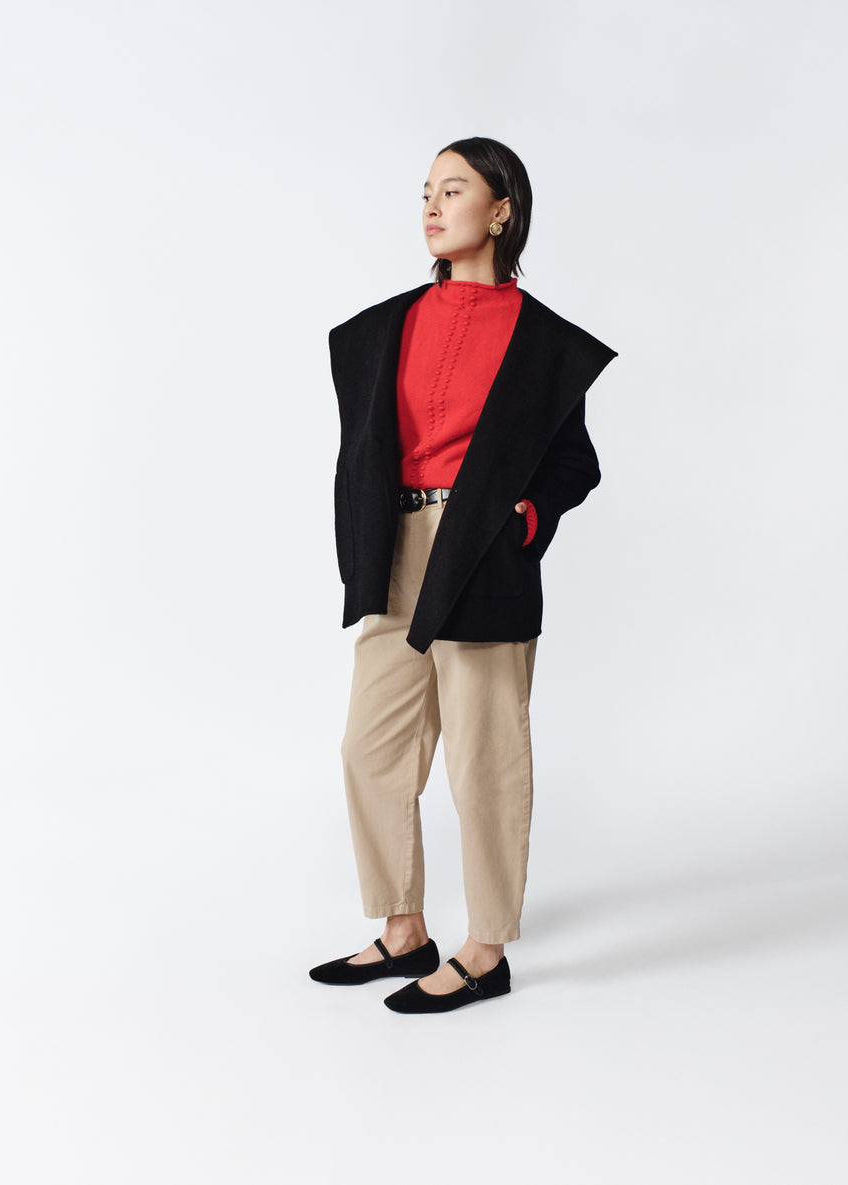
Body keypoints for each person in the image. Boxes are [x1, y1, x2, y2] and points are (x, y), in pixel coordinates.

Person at [309, 137, 616, 1013]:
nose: (432, 208)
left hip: (480, 543)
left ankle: (485, 951)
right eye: (426, 193)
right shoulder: (384, 326)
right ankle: (403, 929)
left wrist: (526, 518)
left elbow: (575, 463)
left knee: (484, 756)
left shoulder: (544, 342)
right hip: (394, 541)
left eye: (453, 190)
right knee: (371, 745)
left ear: (501, 209)